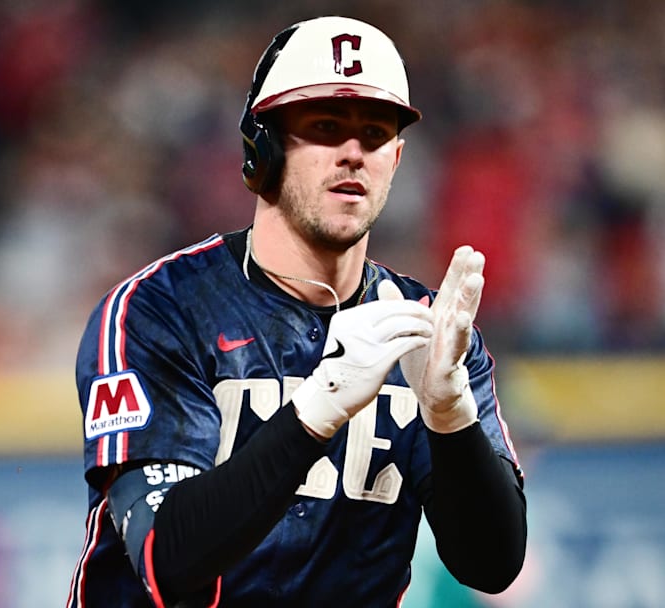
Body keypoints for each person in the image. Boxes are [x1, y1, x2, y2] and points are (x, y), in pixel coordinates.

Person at [66, 15, 527, 608]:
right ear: (264, 147)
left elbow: (492, 565)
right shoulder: (160, 309)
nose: (354, 153)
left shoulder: (426, 331)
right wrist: (319, 406)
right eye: (327, 128)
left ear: (397, 158)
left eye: (376, 132)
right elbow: (166, 558)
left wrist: (449, 414)